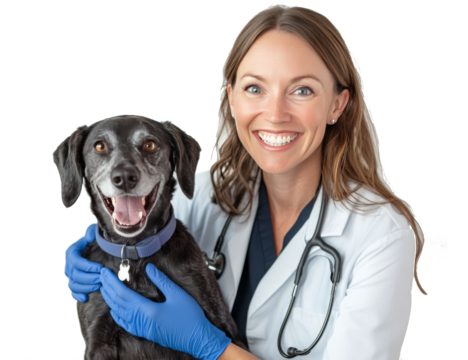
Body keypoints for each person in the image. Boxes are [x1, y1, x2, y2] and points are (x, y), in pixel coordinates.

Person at [63, 4, 429, 359]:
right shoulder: (199, 198)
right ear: (232, 98)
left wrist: (213, 348)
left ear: (337, 104)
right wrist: (96, 246)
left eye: (302, 90)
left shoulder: (380, 235)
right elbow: (133, 218)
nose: (275, 113)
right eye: (255, 88)